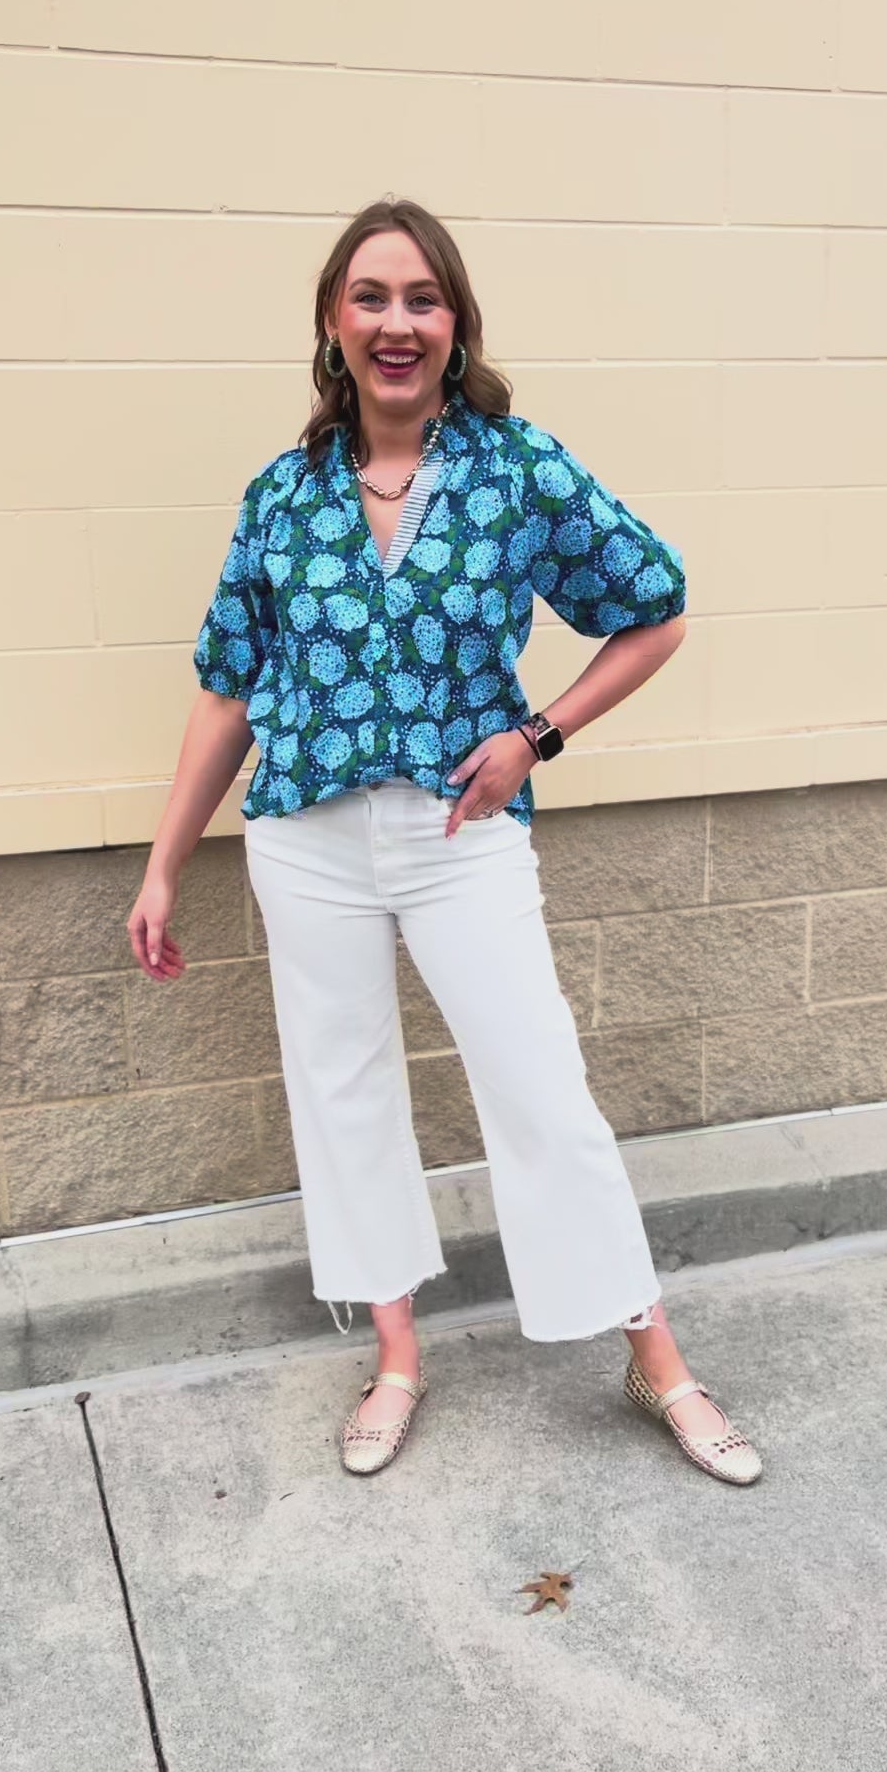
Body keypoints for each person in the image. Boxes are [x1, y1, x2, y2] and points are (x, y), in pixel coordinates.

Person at [127, 197, 761, 1488]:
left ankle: (658, 1358)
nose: (397, 322)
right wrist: (163, 862)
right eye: (371, 297)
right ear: (333, 322)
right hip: (305, 839)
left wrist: (539, 733)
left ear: (457, 322)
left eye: (422, 298)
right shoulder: (283, 496)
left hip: (461, 832)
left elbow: (657, 607)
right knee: (343, 1090)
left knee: (542, 1089)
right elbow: (228, 687)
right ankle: (398, 1355)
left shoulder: (515, 469)